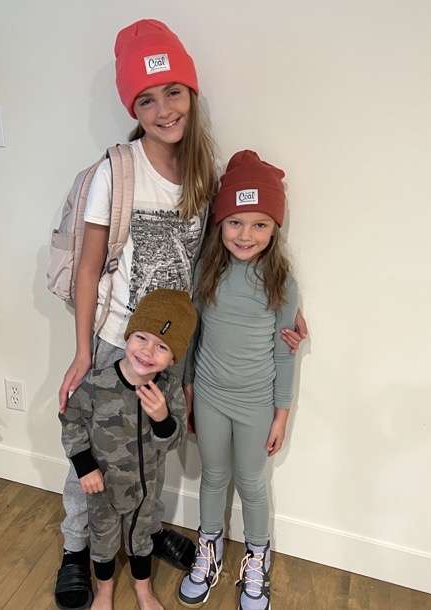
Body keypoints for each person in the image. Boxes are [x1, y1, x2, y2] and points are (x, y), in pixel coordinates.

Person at [53, 19, 306, 610]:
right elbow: (88, 268)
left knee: (152, 447)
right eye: (146, 99)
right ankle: (75, 549)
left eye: (173, 91)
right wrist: (85, 350)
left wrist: (288, 313)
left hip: (173, 347)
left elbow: (229, 255)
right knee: (96, 447)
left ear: (191, 92)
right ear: (133, 108)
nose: (164, 109)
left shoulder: (202, 175)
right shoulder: (117, 170)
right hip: (118, 339)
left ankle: (143, 533)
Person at [177, 150, 299, 610]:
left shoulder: (282, 284)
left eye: (259, 224)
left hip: (256, 403)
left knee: (251, 482)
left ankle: (257, 557)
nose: (246, 235)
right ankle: (208, 546)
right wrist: (189, 390)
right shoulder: (206, 272)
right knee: (213, 476)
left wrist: (281, 414)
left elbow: (285, 352)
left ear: (274, 228)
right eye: (235, 223)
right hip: (209, 395)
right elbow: (192, 335)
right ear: (220, 223)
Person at [60, 289, 197, 610]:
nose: (148, 351)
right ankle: (104, 591)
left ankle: (143, 589)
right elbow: (71, 420)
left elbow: (175, 440)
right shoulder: (97, 383)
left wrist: (162, 418)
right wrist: (84, 466)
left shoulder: (169, 391)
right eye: (141, 338)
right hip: (102, 487)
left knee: (140, 538)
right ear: (128, 335)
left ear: (173, 358)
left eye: (162, 346)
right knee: (103, 540)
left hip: (144, 490)